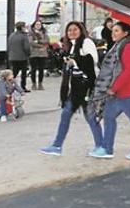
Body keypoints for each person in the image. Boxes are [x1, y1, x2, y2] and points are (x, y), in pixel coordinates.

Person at [40, 22, 104, 155]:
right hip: (75, 87)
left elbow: (92, 60)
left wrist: (74, 61)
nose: (72, 32)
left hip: (86, 86)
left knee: (90, 117)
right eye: (69, 30)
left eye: (75, 29)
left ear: (81, 30)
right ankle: (57, 145)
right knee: (66, 115)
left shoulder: (86, 42)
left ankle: (101, 146)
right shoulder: (71, 46)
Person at [89, 22, 130, 160]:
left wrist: (113, 87)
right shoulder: (117, 47)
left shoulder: (129, 47)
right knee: (108, 116)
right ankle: (107, 148)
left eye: (117, 30)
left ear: (126, 33)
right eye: (113, 30)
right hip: (120, 92)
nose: (113, 33)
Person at [7, 22, 31, 92]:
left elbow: (9, 46)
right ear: (22, 27)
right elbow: (26, 47)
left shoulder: (12, 35)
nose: (25, 28)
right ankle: (23, 87)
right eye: (24, 27)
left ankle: (9, 85)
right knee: (23, 73)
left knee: (14, 72)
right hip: (22, 57)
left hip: (12, 57)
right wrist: (28, 54)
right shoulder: (24, 36)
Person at [28, 20, 49, 91]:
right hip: (33, 53)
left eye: (39, 24)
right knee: (33, 69)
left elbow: (47, 40)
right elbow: (31, 42)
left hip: (42, 53)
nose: (38, 26)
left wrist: (39, 41)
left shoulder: (44, 32)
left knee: (41, 69)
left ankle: (40, 83)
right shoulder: (30, 33)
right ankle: (33, 84)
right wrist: (41, 45)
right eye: (36, 24)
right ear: (34, 25)